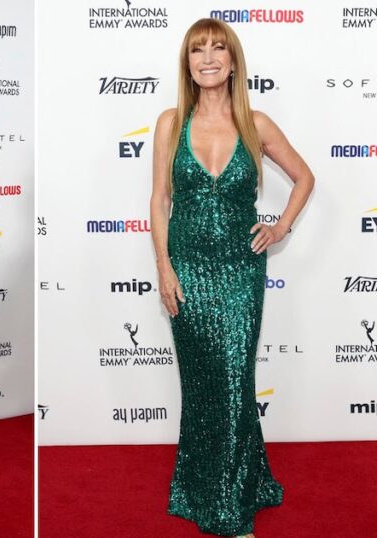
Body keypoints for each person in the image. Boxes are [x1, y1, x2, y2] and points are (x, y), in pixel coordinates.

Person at [149, 18, 314, 538]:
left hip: (241, 270)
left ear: (233, 60)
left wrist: (282, 225)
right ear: (188, 63)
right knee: (203, 387)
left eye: (218, 48)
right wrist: (164, 267)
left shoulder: (256, 122)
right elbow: (158, 200)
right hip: (188, 269)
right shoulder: (170, 122)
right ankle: (213, 486)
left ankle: (227, 505)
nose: (208, 58)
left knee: (234, 379)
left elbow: (305, 176)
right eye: (198, 50)